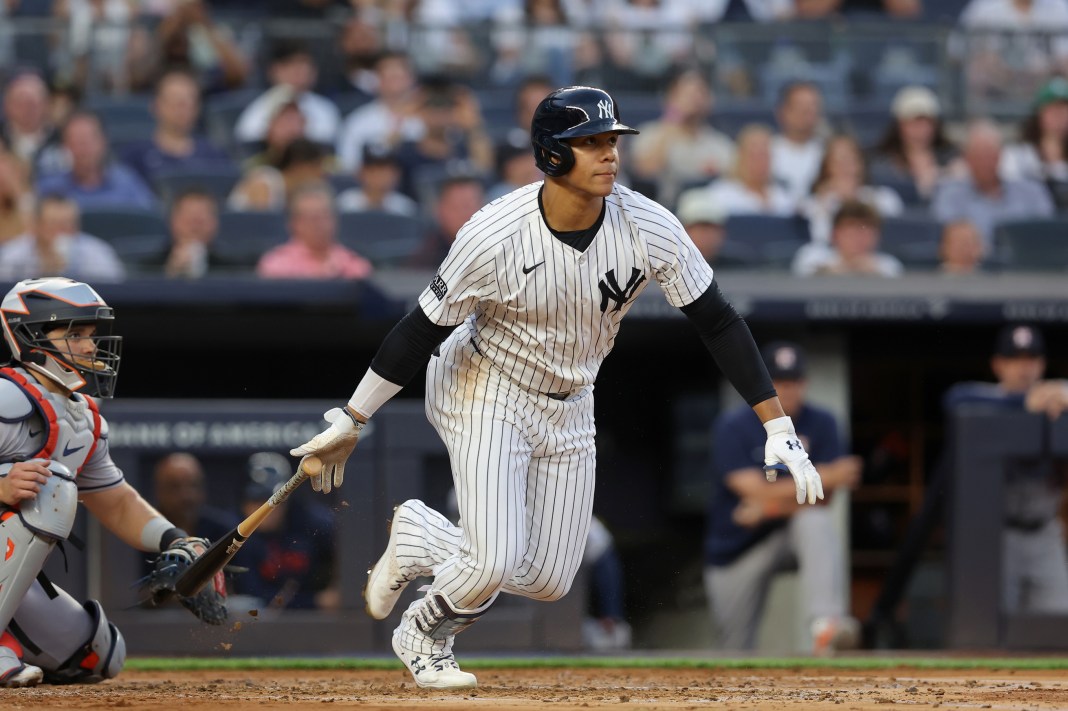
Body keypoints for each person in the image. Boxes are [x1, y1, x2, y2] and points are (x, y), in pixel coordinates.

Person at [289, 86, 825, 689]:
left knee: (548, 579)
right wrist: (354, 419)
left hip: (571, 401)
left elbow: (718, 319)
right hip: (483, 383)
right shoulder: (494, 232)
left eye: (611, 141)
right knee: (490, 562)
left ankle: (422, 535)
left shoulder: (648, 225)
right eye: (589, 143)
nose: (608, 155)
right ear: (550, 156)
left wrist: (777, 423)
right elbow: (417, 329)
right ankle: (424, 631)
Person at [0, 277, 223, 687]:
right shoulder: (6, 396)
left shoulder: (80, 416)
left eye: (89, 334)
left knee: (99, 655)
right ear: (29, 337)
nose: (88, 345)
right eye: (73, 334)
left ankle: (8, 644)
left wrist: (177, 541)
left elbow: (115, 502)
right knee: (52, 487)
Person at [704, 341, 862, 654]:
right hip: (736, 547)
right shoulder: (734, 425)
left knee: (815, 521)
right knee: (734, 650)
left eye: (793, 382)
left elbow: (822, 500)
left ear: (804, 383)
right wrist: (826, 475)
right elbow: (752, 490)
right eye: (777, 382)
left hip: (786, 531)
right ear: (762, 383)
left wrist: (768, 506)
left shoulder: (822, 422)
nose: (786, 390)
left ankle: (826, 625)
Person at [943, 323, 1068, 614]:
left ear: (1042, 364)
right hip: (997, 534)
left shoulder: (1055, 397)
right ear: (998, 364)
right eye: (1015, 360)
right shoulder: (985, 399)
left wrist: (1060, 393)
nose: (1024, 369)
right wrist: (1024, 403)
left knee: (1059, 624)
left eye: (1031, 359)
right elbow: (954, 399)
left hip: (1045, 532)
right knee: (991, 623)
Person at [231, 452, 338, 611]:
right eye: (256, 500)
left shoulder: (313, 524)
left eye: (274, 500)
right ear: (243, 502)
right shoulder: (232, 533)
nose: (266, 510)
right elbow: (255, 594)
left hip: (313, 623)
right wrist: (316, 602)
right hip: (255, 624)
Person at [931, 119, 1055, 251]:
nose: (985, 163)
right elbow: (949, 241)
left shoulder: (1032, 192)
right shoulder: (950, 195)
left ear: (1000, 156)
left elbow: (1047, 236)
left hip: (1024, 266)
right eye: (978, 156)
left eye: (990, 155)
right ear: (966, 158)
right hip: (973, 268)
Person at [630, 68, 736, 207]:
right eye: (686, 93)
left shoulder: (720, 143)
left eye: (700, 93)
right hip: (664, 211)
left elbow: (735, 187)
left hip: (709, 214)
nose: (693, 99)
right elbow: (645, 171)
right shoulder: (650, 133)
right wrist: (673, 120)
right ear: (670, 98)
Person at [119, 69, 233, 188]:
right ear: (156, 105)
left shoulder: (214, 155)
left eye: (190, 102)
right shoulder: (135, 156)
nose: (183, 109)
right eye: (176, 101)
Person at [35, 111, 157, 211]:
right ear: (64, 147)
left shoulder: (127, 183)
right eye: (75, 142)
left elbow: (150, 218)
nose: (82, 149)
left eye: (88, 141)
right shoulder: (49, 188)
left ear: (103, 142)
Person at [799, 133, 903, 245]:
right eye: (838, 161)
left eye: (851, 160)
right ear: (826, 168)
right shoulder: (811, 204)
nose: (845, 167)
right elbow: (820, 240)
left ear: (861, 164)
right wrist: (824, 203)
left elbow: (894, 237)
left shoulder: (885, 198)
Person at [233, 40, 340, 147]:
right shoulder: (257, 110)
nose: (299, 71)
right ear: (274, 70)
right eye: (290, 64)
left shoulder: (326, 108)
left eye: (304, 63)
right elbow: (248, 146)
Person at [256, 181, 373, 279]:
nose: (319, 225)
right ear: (293, 223)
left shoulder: (353, 264)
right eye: (312, 218)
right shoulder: (276, 265)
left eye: (324, 216)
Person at [0, 193, 126, 282]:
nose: (63, 233)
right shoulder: (13, 255)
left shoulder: (97, 253)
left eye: (69, 225)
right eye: (54, 224)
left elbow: (113, 294)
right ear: (36, 226)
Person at [869, 86, 957, 204]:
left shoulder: (951, 158)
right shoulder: (882, 163)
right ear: (899, 126)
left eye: (926, 123)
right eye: (913, 124)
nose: (920, 131)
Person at [1000, 76, 1068, 209]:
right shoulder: (1018, 154)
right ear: (1039, 113)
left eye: (1064, 109)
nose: (1059, 116)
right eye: (1053, 109)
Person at [792, 199, 904, 277]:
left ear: (877, 236)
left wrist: (875, 274)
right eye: (851, 228)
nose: (858, 236)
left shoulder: (889, 265)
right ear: (834, 234)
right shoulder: (812, 256)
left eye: (866, 229)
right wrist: (834, 271)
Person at [703, 124, 795, 218]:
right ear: (740, 157)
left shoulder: (783, 198)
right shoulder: (719, 196)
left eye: (764, 155)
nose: (759, 161)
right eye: (753, 155)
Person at [143, 188, 235, 278]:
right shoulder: (147, 268)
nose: (195, 228)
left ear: (215, 223)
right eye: (189, 220)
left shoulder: (232, 271)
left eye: (201, 221)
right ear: (173, 221)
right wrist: (170, 273)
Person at [151, 452, 237, 544]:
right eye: (174, 486)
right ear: (159, 490)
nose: (186, 495)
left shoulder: (225, 533)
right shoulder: (144, 534)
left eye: (193, 485)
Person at [405, 173, 485, 270]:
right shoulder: (426, 258)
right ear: (439, 210)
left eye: (472, 205)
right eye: (458, 207)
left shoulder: (500, 247)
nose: (467, 214)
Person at [337, 144, 419, 216]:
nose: (379, 176)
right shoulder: (345, 204)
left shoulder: (405, 208)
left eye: (385, 170)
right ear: (360, 173)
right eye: (372, 171)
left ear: (396, 174)